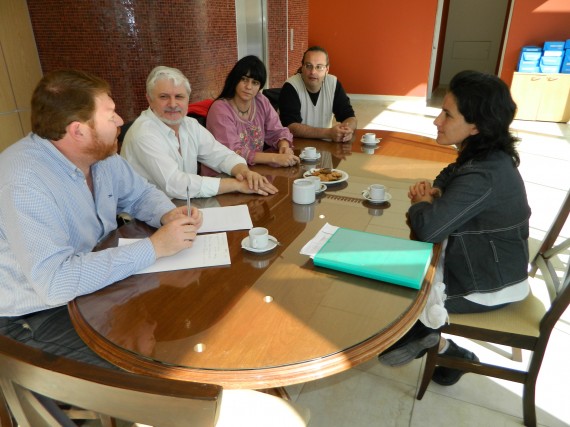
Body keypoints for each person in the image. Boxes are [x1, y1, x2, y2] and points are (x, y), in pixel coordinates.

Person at [0, 70, 203, 367]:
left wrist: (167, 213)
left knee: (175, 311)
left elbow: (140, 193)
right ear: (78, 131)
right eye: (110, 115)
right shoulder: (25, 183)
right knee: (150, 360)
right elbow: (55, 282)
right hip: (33, 313)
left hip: (91, 285)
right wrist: (154, 247)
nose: (121, 120)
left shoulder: (103, 157)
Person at [379, 70, 531, 386]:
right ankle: (440, 345)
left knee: (392, 300)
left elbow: (428, 230)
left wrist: (420, 203)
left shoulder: (485, 175)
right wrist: (435, 189)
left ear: (476, 126)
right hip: (489, 262)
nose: (437, 121)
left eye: (447, 114)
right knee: (395, 273)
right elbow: (451, 173)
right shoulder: (485, 154)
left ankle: (443, 345)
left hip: (488, 284)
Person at [121, 66, 278, 200]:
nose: (173, 104)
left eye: (179, 97)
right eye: (164, 97)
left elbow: (221, 155)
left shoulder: (189, 124)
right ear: (149, 99)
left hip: (181, 207)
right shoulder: (143, 133)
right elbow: (176, 185)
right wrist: (236, 184)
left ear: (188, 99)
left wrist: (244, 172)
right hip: (138, 224)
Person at [205, 55, 299, 175]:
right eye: (244, 79)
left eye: (255, 82)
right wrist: (275, 158)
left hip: (253, 171)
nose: (248, 87)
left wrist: (284, 147)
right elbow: (234, 152)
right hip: (222, 176)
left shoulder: (260, 100)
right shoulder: (220, 109)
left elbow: (277, 131)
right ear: (235, 79)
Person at [279, 46, 357, 142]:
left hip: (325, 147)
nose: (313, 72)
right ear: (302, 67)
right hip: (296, 146)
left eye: (319, 67)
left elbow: (350, 116)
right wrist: (328, 133)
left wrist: (348, 130)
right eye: (308, 65)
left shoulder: (333, 83)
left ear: (327, 70)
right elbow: (290, 127)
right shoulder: (291, 86)